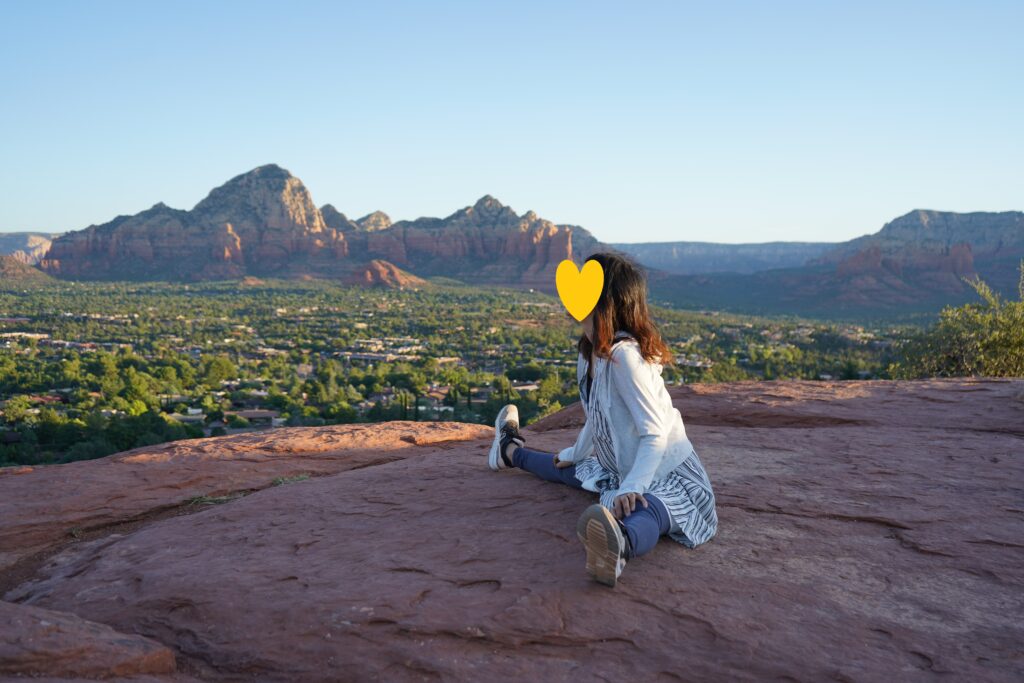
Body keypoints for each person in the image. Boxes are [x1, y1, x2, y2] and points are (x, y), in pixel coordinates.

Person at [487, 252, 718, 587]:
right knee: (566, 469)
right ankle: (508, 451)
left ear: (603, 301)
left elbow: (655, 433)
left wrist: (633, 487)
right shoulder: (591, 354)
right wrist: (574, 454)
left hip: (667, 475)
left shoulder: (625, 358)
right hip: (621, 468)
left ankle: (620, 544)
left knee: (649, 510)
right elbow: (598, 418)